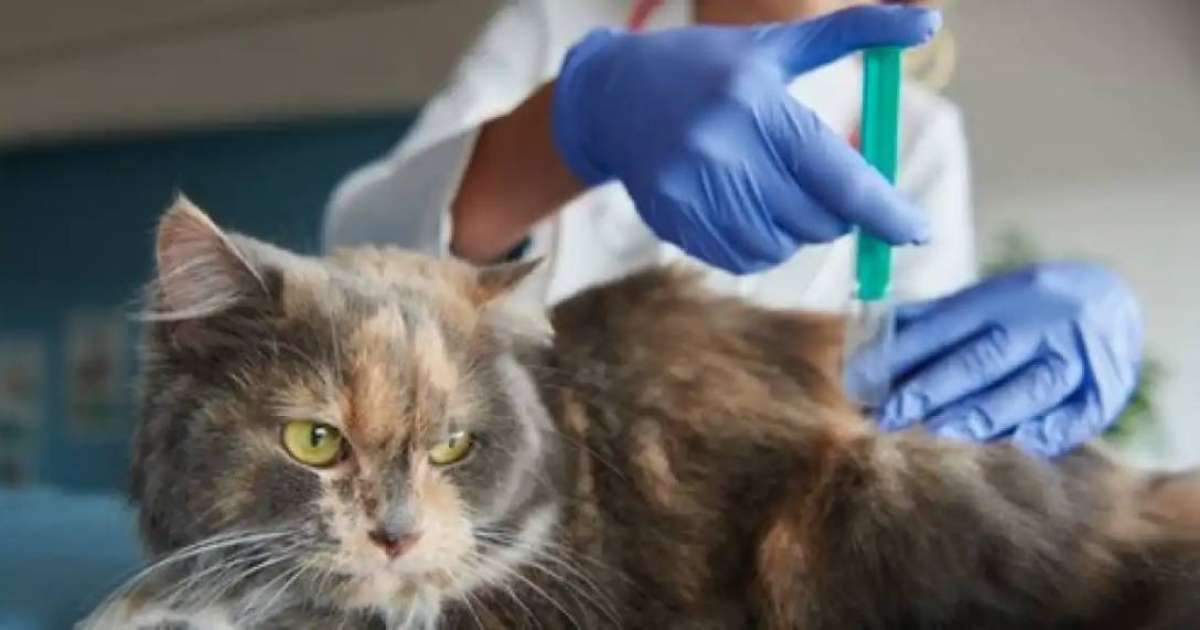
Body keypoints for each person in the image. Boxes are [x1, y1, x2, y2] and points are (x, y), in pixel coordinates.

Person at [323, 0, 1142, 457]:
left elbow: (925, 423)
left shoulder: (918, 137)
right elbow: (358, 257)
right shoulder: (563, 23)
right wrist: (572, 124)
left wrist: (1023, 373)